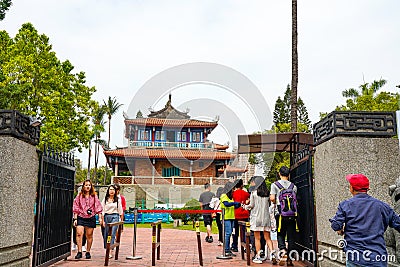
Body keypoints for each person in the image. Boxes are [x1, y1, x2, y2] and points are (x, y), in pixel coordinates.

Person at [330, 174, 400, 267]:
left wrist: (340, 229)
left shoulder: (345, 205)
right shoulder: (382, 206)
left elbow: (336, 225)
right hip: (377, 258)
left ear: (352, 188)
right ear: (367, 188)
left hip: (355, 258)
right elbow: (398, 223)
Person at [244, 176, 277, 264]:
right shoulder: (267, 194)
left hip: (256, 218)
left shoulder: (254, 193)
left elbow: (251, 205)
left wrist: (244, 206)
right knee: (268, 238)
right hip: (266, 219)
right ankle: (273, 253)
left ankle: (258, 256)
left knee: (257, 238)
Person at [270, 166, 297, 266]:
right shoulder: (293, 186)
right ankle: (290, 259)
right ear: (288, 174)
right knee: (291, 236)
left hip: (280, 214)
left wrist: (274, 200)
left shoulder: (275, 185)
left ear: (279, 174)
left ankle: (283, 250)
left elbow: (272, 198)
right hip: (292, 214)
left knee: (280, 233)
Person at [72, 179, 103, 260]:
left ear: (91, 186)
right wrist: (75, 218)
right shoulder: (79, 196)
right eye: (86, 185)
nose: (87, 186)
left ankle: (88, 251)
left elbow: (98, 206)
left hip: (90, 217)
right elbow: (76, 206)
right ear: (83, 186)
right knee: (79, 233)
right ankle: (79, 251)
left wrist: (100, 217)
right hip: (81, 216)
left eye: (89, 185)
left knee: (89, 235)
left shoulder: (94, 196)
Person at [100, 184, 124, 258]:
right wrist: (102, 219)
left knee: (112, 233)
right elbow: (102, 210)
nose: (112, 191)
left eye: (113, 190)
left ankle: (110, 250)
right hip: (107, 216)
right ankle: (106, 248)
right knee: (106, 234)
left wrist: (121, 222)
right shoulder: (105, 199)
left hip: (115, 216)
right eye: (110, 189)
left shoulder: (118, 200)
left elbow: (120, 211)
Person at [220, 181, 242, 256]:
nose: (233, 190)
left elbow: (232, 205)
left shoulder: (231, 197)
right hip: (226, 217)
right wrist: (234, 203)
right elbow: (226, 204)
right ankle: (226, 249)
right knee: (228, 233)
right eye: (232, 188)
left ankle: (228, 249)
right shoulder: (223, 195)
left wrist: (237, 205)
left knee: (230, 233)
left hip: (232, 217)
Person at [232, 178, 250, 252]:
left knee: (235, 231)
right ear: (242, 185)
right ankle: (246, 246)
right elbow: (249, 200)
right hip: (245, 214)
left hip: (236, 214)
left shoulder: (233, 193)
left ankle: (234, 246)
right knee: (245, 231)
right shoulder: (245, 193)